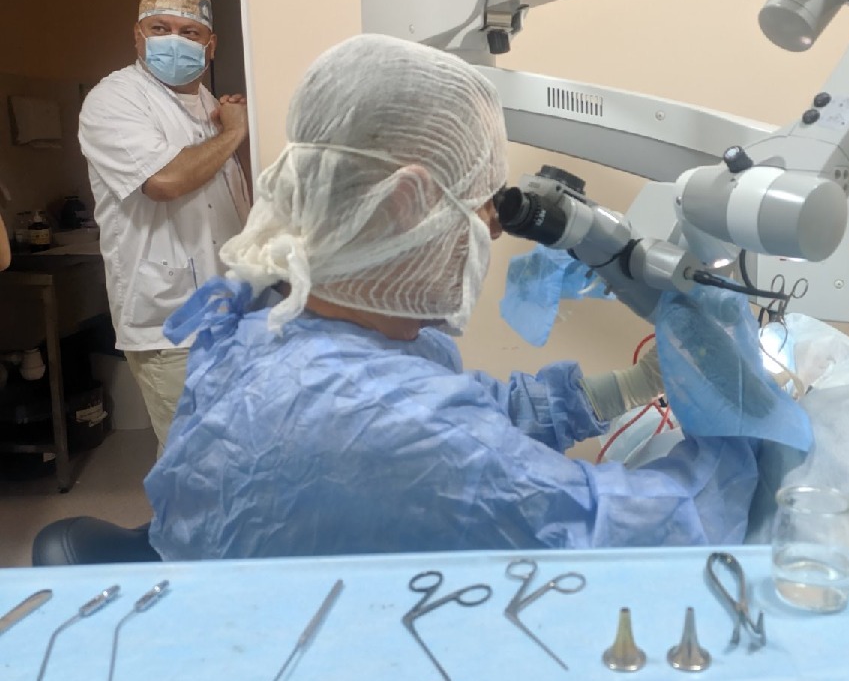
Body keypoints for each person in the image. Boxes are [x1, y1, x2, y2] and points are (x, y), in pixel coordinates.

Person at [145, 34, 759, 560]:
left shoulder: (274, 319)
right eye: (482, 207)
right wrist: (742, 435)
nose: (493, 230)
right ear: (404, 204)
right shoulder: (382, 420)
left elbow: (473, 419)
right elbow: (630, 532)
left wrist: (625, 387)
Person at [78, 0, 251, 452]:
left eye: (189, 31)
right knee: (197, 461)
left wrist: (238, 136)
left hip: (228, 313)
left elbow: (241, 202)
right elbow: (164, 181)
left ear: (210, 45)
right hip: (169, 324)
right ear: (138, 35)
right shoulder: (115, 100)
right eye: (160, 28)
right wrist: (234, 133)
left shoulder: (211, 106)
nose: (174, 40)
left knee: (229, 455)